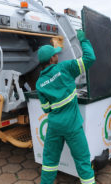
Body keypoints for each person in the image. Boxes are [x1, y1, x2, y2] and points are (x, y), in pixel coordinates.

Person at [36, 30, 96, 184]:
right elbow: (90, 58)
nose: (58, 55)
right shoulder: (65, 67)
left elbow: (46, 108)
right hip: (72, 126)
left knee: (49, 163)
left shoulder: (39, 83)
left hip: (54, 127)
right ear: (52, 59)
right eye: (56, 54)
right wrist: (84, 40)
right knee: (82, 162)